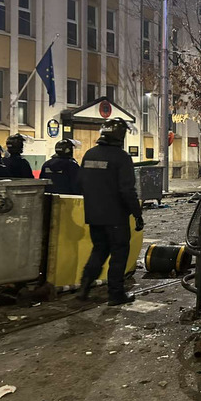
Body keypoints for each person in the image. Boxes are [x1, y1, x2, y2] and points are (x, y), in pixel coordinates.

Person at [78, 118, 144, 306]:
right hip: (115, 216)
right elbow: (127, 190)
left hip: (94, 215)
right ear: (120, 135)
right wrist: (137, 214)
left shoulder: (89, 154)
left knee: (99, 250)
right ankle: (116, 294)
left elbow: (80, 183)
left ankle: (84, 286)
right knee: (119, 253)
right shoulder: (121, 157)